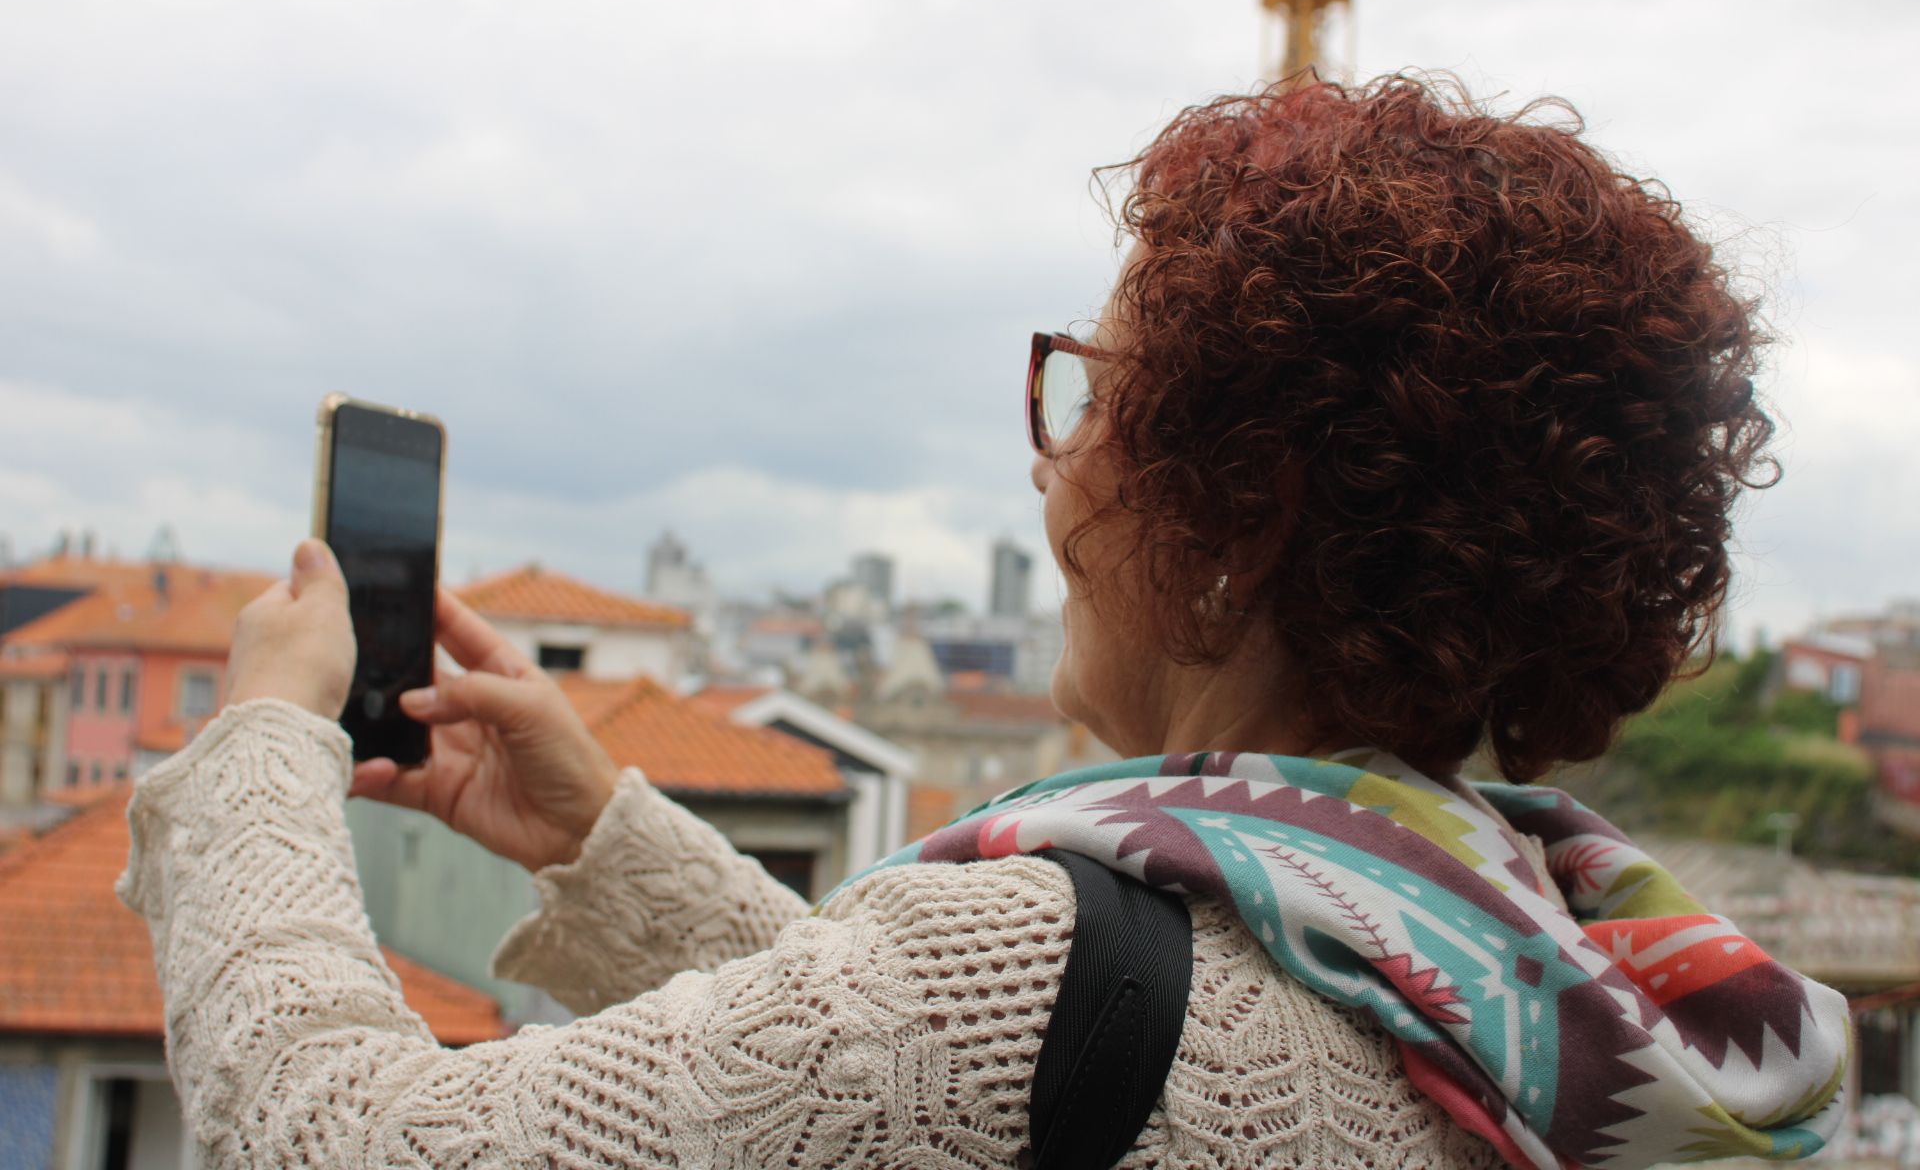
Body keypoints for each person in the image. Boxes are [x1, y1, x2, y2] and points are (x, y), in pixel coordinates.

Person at [118, 76, 1849, 1169]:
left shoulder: (1038, 972)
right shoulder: (1536, 953)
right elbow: (997, 1074)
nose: (1052, 474)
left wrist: (266, 743)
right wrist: (602, 841)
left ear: (1242, 509)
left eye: (1095, 401)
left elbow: (339, 1136)